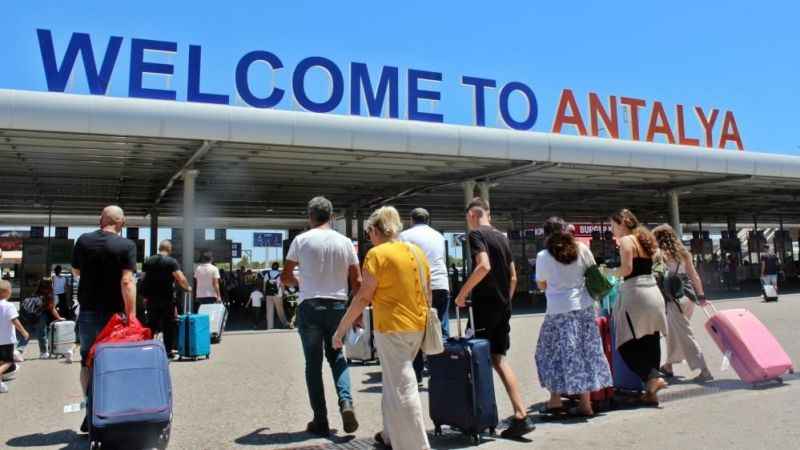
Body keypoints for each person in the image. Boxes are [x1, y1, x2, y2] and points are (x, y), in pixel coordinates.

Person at [333, 206, 431, 450]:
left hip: (392, 327)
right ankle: (390, 434)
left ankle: (417, 445)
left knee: (403, 387)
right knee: (392, 381)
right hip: (417, 326)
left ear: (376, 230)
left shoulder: (377, 255)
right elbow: (428, 291)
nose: (369, 237)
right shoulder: (417, 252)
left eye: (368, 232)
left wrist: (340, 330)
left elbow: (363, 297)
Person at [454, 197, 535, 438]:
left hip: (483, 308)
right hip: (502, 307)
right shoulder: (502, 237)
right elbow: (512, 277)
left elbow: (483, 266)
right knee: (499, 358)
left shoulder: (476, 235)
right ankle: (521, 414)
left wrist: (462, 293)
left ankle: (478, 417)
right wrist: (506, 301)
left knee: (474, 358)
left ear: (471, 215)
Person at [281, 196, 362, 436]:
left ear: (310, 216)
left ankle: (321, 420)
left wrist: (300, 282)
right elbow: (357, 281)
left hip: (310, 306)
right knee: (337, 358)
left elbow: (285, 277)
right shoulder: (345, 242)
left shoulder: (301, 240)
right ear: (333, 216)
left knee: (313, 365)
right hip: (338, 307)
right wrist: (356, 313)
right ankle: (346, 403)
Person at [534, 217, 613, 417]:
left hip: (558, 311)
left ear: (547, 235)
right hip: (585, 308)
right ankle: (585, 403)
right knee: (584, 353)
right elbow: (593, 273)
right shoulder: (582, 249)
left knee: (550, 353)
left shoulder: (543, 256)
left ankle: (555, 400)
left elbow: (541, 284)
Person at [72, 205, 138, 433]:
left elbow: (77, 272)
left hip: (88, 311)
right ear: (121, 222)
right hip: (115, 315)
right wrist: (132, 314)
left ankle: (91, 410)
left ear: (101, 219)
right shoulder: (126, 245)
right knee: (117, 362)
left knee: (87, 361)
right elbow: (127, 281)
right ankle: (114, 413)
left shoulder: (83, 241)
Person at [607, 209, 668, 406]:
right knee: (651, 339)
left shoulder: (626, 241)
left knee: (625, 344)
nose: (612, 230)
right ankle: (651, 392)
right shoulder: (645, 239)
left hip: (636, 294)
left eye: (613, 226)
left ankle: (652, 378)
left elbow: (627, 269)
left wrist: (609, 271)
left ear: (622, 223)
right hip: (653, 291)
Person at [652, 225, 714, 383]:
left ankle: (704, 369)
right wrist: (701, 296)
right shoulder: (684, 254)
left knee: (684, 334)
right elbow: (694, 276)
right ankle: (668, 366)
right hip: (688, 297)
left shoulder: (660, 255)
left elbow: (657, 276)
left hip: (673, 299)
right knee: (674, 332)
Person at [399, 207, 450, 384]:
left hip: (418, 287)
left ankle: (417, 374)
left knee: (417, 329)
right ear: (428, 220)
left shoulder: (405, 236)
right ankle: (442, 370)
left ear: (411, 220)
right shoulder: (439, 236)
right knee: (440, 326)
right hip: (441, 284)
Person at [141, 240, 190, 357]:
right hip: (167, 299)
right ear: (169, 249)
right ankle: (168, 350)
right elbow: (180, 278)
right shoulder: (172, 262)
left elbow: (142, 279)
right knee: (168, 325)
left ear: (159, 248)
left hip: (151, 299)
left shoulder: (148, 261)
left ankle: (147, 347)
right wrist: (187, 287)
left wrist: (143, 296)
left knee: (151, 323)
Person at [17, 278, 64, 359]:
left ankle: (18, 351)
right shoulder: (48, 295)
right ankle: (43, 352)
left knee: (26, 333)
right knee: (42, 334)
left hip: (28, 316)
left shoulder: (35, 293)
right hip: (39, 316)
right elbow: (52, 309)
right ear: (50, 285)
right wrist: (59, 317)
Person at [1, 279, 30, 393]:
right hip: (5, 340)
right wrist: (24, 332)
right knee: (9, 362)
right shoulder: (8, 306)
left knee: (2, 362)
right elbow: (14, 320)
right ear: (6, 292)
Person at [264, 262, 290, 329]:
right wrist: (284, 293)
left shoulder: (267, 274)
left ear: (271, 267)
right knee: (280, 310)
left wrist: (264, 293)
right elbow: (282, 285)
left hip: (268, 294)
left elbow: (264, 285)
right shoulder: (280, 275)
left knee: (269, 311)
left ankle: (270, 327)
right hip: (278, 295)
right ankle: (285, 324)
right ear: (278, 268)